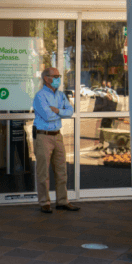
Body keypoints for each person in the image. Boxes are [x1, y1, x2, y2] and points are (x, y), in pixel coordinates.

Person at [33, 67, 79, 214]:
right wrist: (60, 113)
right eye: (56, 76)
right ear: (46, 78)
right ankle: (44, 202)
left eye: (59, 75)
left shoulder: (60, 95)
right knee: (43, 172)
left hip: (57, 135)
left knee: (61, 170)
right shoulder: (40, 96)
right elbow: (47, 116)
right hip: (43, 136)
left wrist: (58, 110)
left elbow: (70, 111)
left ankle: (62, 201)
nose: (59, 78)